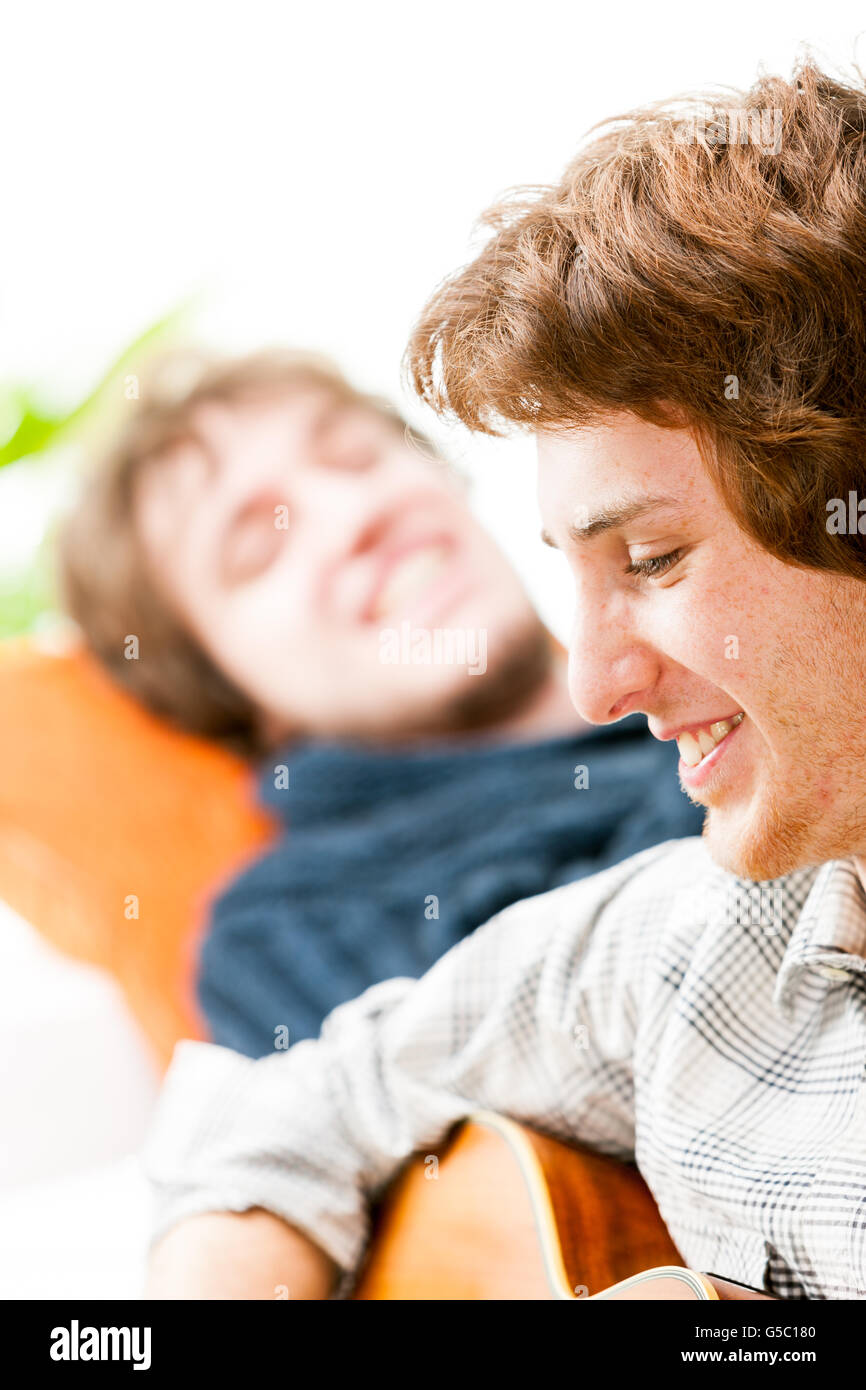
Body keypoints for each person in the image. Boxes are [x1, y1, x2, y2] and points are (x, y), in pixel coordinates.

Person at [141, 56, 866, 1301]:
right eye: (257, 543)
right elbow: (291, 1112)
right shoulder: (683, 934)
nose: (599, 682)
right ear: (219, 683)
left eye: (651, 558)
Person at [59, 351, 700, 1056]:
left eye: (355, 456)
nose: (353, 515)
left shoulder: (718, 655)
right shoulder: (285, 930)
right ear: (223, 690)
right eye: (259, 547)